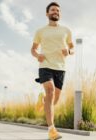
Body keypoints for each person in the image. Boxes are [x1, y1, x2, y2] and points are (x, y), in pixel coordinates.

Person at [31, 2, 74, 140]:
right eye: (53, 10)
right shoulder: (40, 31)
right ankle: (52, 130)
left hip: (60, 68)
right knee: (50, 90)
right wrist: (38, 55)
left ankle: (42, 100)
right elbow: (33, 49)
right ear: (47, 13)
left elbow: (72, 48)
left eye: (58, 10)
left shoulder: (66, 30)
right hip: (45, 65)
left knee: (53, 101)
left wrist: (68, 50)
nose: (56, 12)